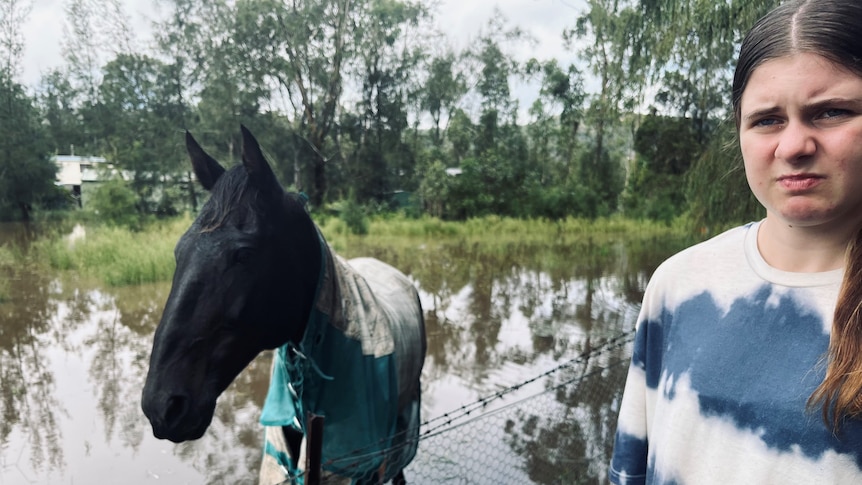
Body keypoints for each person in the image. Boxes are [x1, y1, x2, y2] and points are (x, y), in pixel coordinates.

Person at [609, 1, 862, 483]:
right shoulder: (678, 284)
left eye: (831, 112)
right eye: (767, 119)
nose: (793, 147)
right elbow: (631, 467)